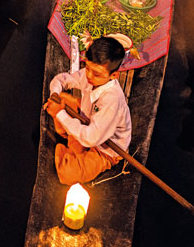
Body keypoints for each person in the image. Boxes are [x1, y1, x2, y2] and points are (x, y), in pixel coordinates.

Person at [43, 36, 132, 185]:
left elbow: (91, 138)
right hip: (87, 123)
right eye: (88, 68)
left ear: (114, 75)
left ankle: (69, 147)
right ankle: (72, 141)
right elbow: (61, 80)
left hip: (105, 148)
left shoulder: (111, 101)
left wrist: (59, 113)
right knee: (61, 98)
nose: (89, 76)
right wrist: (54, 95)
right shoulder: (89, 75)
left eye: (96, 74)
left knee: (68, 174)